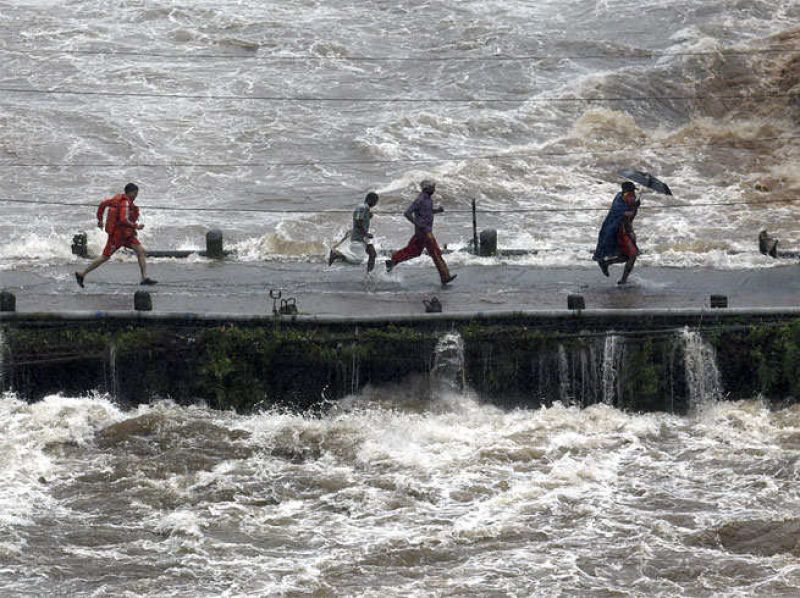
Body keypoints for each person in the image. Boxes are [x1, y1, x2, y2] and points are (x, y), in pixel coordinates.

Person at [75, 183, 157, 287]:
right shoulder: (125, 203)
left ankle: (144, 277)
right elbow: (123, 220)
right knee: (105, 257)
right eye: (135, 193)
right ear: (130, 193)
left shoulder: (116, 200)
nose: (136, 196)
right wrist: (136, 226)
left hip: (127, 235)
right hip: (117, 236)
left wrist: (100, 220)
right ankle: (82, 274)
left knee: (140, 251)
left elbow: (103, 204)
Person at [385, 179, 456, 285]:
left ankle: (393, 260)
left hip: (423, 232)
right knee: (436, 253)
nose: (434, 189)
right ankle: (445, 277)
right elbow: (407, 213)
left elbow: (428, 211)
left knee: (414, 251)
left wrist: (437, 211)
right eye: (432, 187)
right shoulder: (420, 199)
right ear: (427, 188)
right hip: (425, 232)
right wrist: (417, 224)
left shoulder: (428, 199)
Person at [593, 181, 640, 285]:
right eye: (631, 192)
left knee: (626, 256)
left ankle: (607, 264)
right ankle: (623, 281)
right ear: (626, 192)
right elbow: (626, 215)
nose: (633, 194)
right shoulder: (620, 202)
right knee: (632, 255)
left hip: (624, 231)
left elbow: (630, 216)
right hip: (620, 232)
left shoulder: (622, 197)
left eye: (633, 192)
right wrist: (634, 209)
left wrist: (634, 207)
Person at [328, 192, 379, 272]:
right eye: (376, 201)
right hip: (359, 237)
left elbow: (360, 220)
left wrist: (368, 216)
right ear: (371, 200)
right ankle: (336, 255)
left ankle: (369, 275)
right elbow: (358, 221)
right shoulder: (362, 207)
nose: (375, 204)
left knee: (372, 254)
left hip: (363, 238)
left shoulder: (365, 208)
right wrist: (366, 233)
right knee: (357, 260)